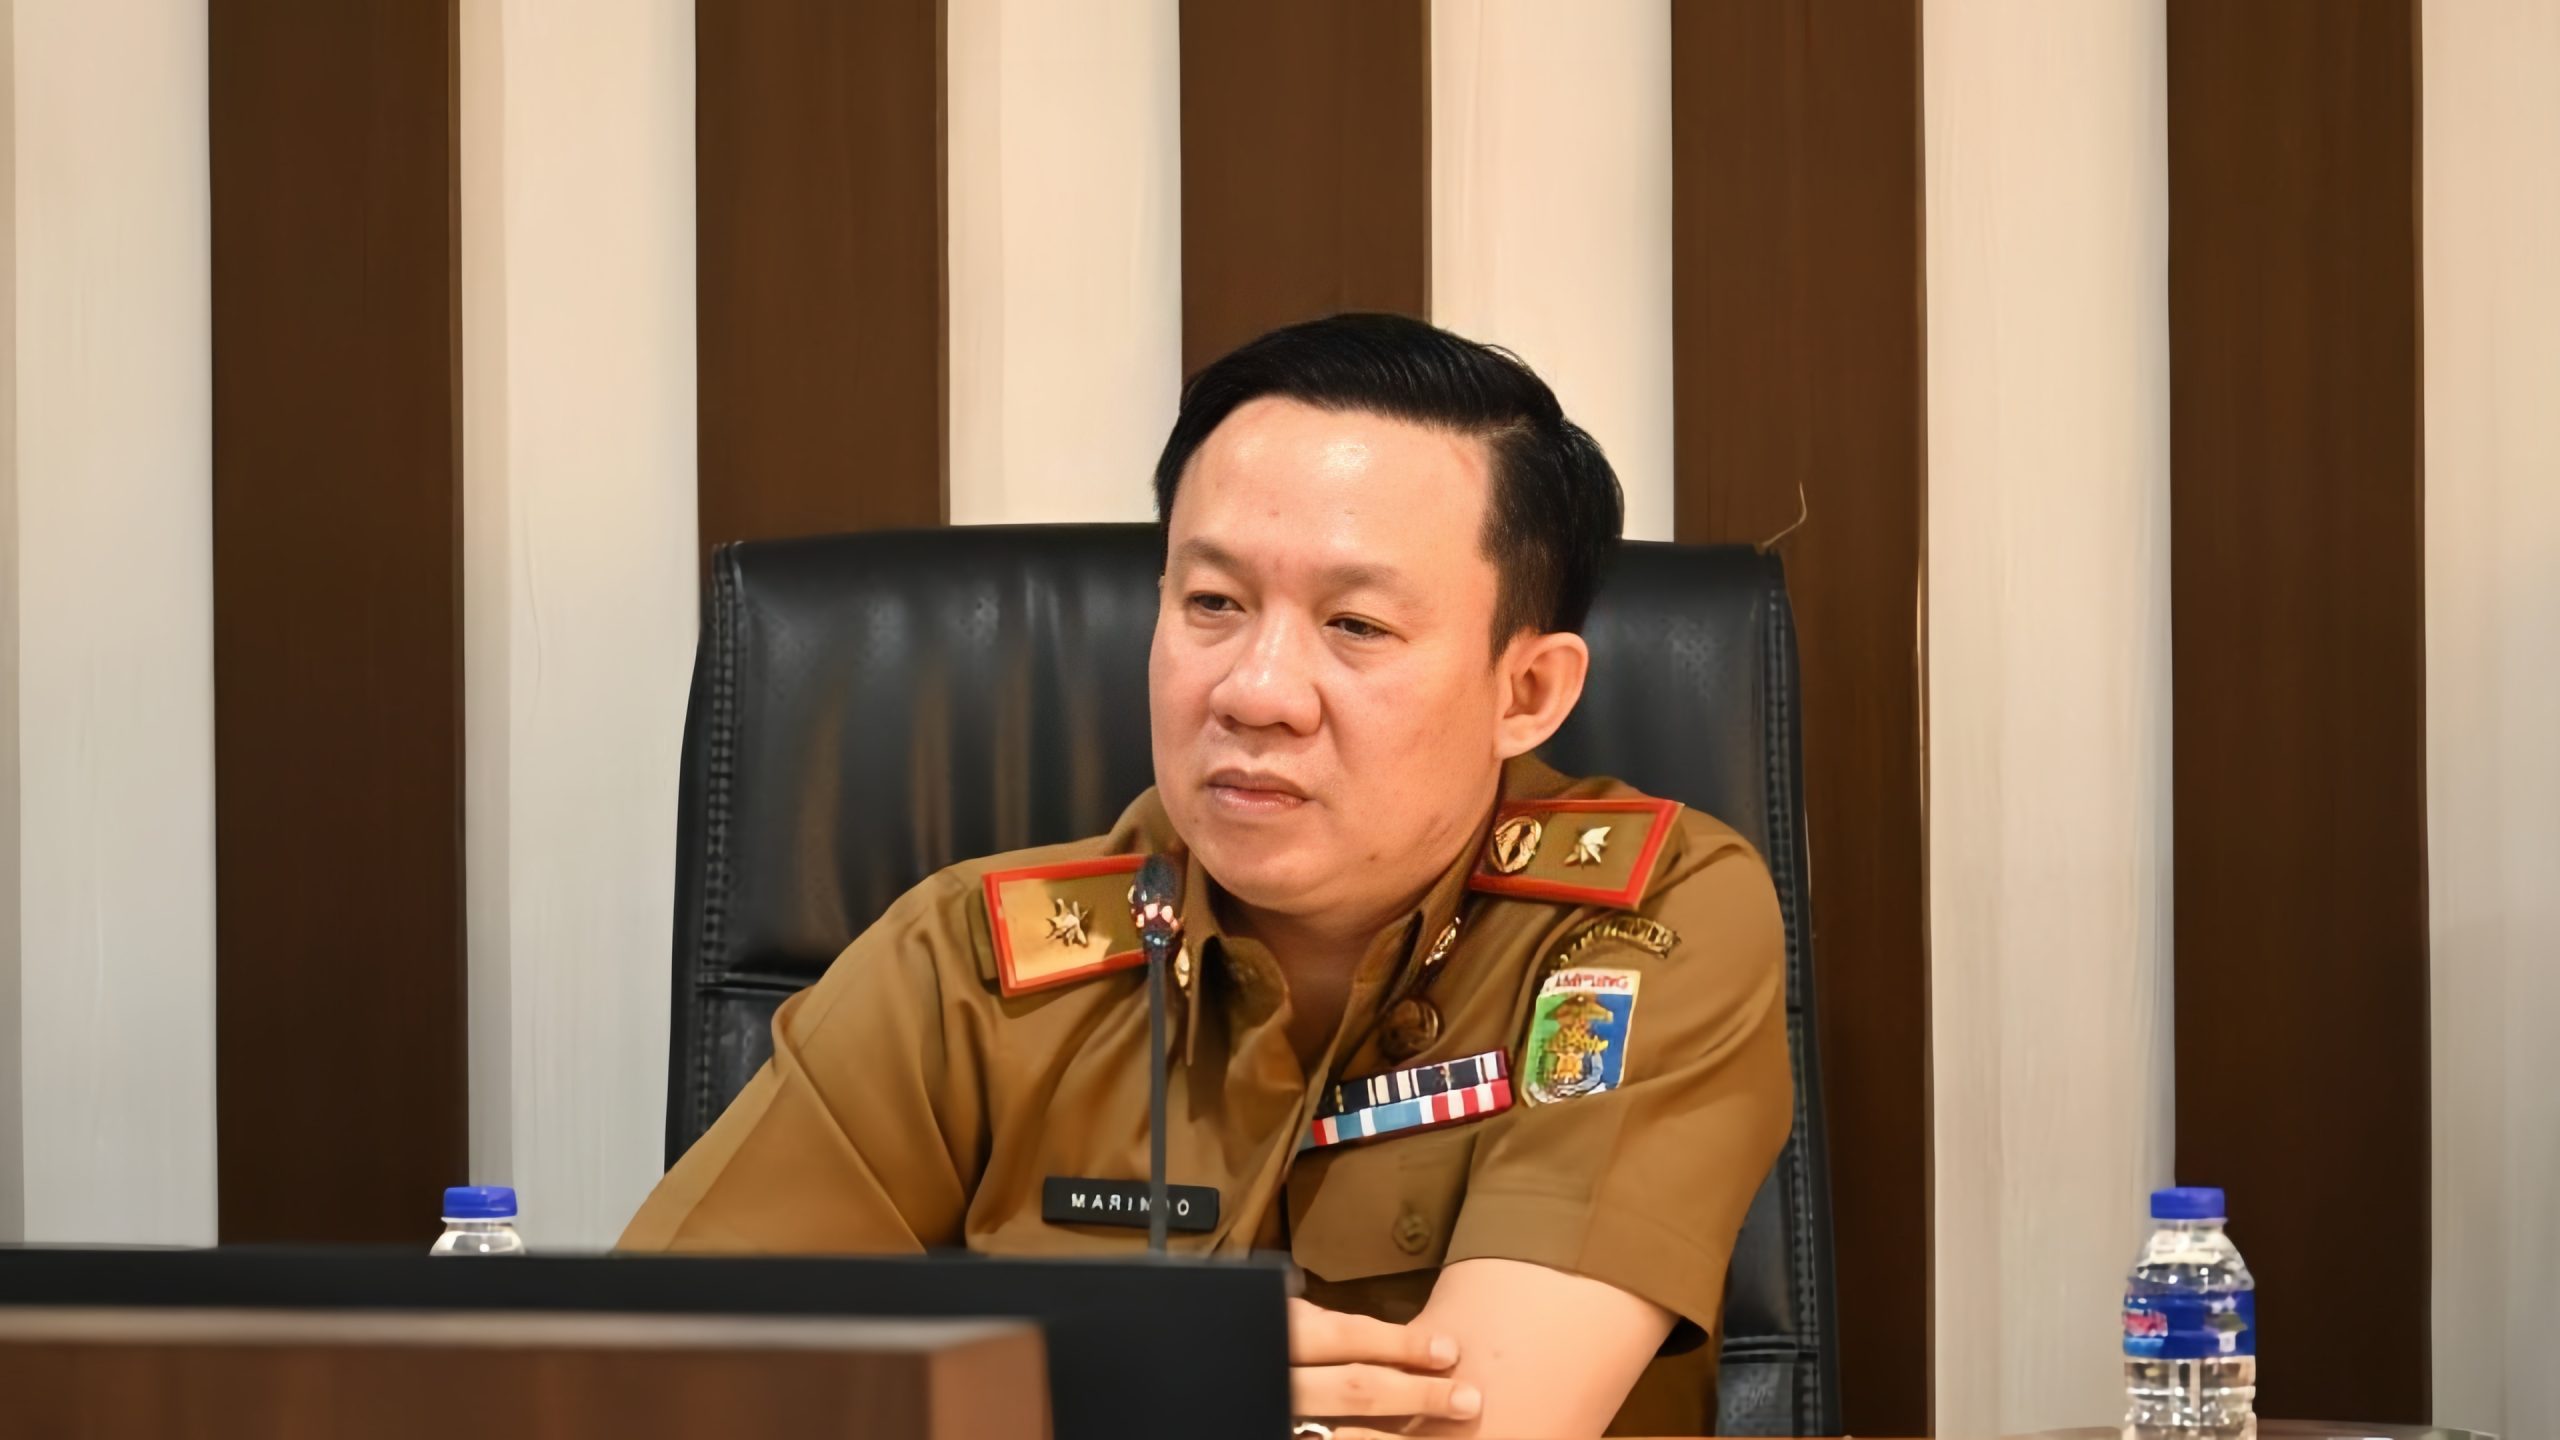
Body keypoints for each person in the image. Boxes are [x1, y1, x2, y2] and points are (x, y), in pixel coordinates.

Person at [620, 313, 1792, 1438]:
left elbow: (1478, 1429)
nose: (1254, 691)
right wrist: (1100, 1386)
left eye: (1355, 626)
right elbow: (639, 1388)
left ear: (1526, 692)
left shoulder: (1643, 921)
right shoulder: (965, 968)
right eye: (1213, 604)